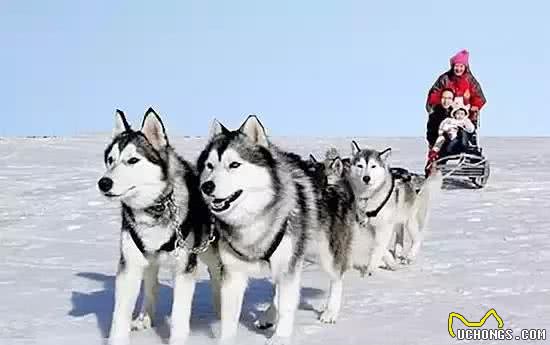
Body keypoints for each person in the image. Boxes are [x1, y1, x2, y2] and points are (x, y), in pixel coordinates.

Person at [425, 49, 486, 123]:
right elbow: (433, 95)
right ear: (452, 66)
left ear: (465, 67)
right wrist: (444, 103)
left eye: (461, 66)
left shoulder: (470, 80)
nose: (459, 69)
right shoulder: (445, 79)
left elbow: (479, 97)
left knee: (465, 132)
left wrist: (474, 105)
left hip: (465, 116)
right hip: (445, 115)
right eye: (456, 66)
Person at [425, 98, 475, 173]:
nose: (459, 116)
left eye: (462, 114)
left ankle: (467, 151)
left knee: (463, 133)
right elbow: (442, 127)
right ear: (454, 114)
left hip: (462, 142)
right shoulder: (449, 120)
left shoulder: (466, 121)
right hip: (450, 141)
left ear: (465, 115)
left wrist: (465, 124)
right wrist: (449, 128)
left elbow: (471, 129)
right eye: (458, 113)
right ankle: (435, 155)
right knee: (442, 138)